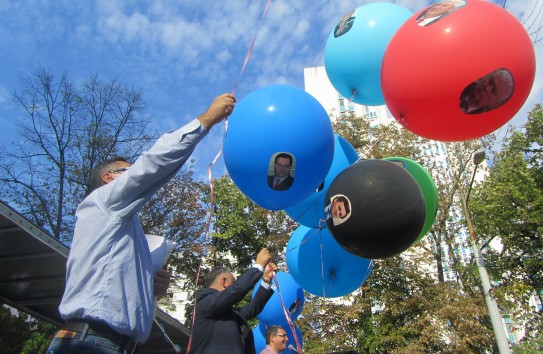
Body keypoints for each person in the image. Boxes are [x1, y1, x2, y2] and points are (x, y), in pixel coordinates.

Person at [46, 93, 236, 354]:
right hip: (90, 343)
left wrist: (150, 289)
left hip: (106, 344)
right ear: (109, 178)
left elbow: (111, 286)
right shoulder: (102, 202)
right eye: (128, 170)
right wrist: (206, 120)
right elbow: (152, 165)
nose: (134, 173)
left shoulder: (119, 229)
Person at [189, 248, 278, 354]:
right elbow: (237, 290)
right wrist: (258, 265)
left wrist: (266, 280)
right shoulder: (205, 302)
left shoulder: (228, 312)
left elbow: (253, 308)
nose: (235, 284)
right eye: (234, 282)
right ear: (224, 282)